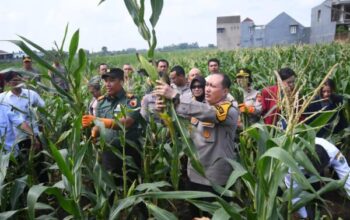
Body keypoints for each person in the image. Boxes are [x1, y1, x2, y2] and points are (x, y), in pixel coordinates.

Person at [154, 73, 239, 195]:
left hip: (215, 179)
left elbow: (208, 113)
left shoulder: (229, 111)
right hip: (194, 173)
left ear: (225, 91)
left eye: (213, 86)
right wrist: (163, 110)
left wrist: (175, 95)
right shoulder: (198, 107)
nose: (207, 89)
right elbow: (175, 121)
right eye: (207, 85)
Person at [82, 68, 141, 180]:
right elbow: (98, 127)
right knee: (110, 187)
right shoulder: (101, 102)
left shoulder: (131, 101)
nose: (108, 84)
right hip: (108, 153)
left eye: (112, 80)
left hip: (128, 153)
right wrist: (93, 133)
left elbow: (126, 123)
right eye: (106, 81)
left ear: (122, 81)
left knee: (130, 184)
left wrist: (96, 120)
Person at [0, 69, 47, 182]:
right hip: (16, 139)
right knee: (22, 166)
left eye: (18, 79)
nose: (17, 82)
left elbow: (43, 109)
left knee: (39, 163)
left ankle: (44, 186)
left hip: (32, 134)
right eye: (13, 80)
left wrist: (40, 123)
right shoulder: (3, 98)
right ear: (7, 83)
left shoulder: (31, 94)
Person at [285, 137, 350, 219]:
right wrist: (304, 216)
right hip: (298, 167)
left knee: (316, 189)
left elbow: (346, 175)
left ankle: (317, 208)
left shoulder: (333, 152)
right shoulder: (293, 163)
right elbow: (292, 190)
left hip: (316, 168)